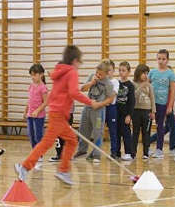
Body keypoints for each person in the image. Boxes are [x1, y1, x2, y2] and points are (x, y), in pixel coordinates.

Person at [15, 45, 99, 185]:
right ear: (75, 60)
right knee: (48, 143)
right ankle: (24, 166)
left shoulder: (59, 71)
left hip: (57, 113)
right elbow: (74, 92)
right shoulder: (71, 72)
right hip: (59, 114)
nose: (79, 65)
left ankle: (63, 170)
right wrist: (91, 102)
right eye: (79, 62)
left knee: (71, 141)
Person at [73, 60, 116, 163]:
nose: (98, 75)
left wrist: (99, 104)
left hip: (99, 111)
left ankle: (96, 154)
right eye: (97, 72)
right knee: (83, 130)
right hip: (87, 108)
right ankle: (82, 150)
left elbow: (111, 98)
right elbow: (83, 89)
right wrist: (91, 82)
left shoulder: (108, 83)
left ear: (106, 74)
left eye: (100, 74)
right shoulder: (92, 76)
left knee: (98, 132)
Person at [149, 49, 175, 158]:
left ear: (167, 60)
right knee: (148, 126)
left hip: (162, 103)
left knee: (160, 126)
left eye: (163, 59)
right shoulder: (152, 72)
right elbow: (147, 86)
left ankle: (159, 149)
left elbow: (173, 90)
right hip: (151, 103)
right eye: (159, 59)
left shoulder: (170, 74)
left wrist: (170, 105)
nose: (161, 61)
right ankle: (147, 147)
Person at [24, 64, 49, 162]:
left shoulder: (43, 87)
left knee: (38, 135)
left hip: (39, 117)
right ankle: (35, 152)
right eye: (31, 75)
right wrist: (25, 111)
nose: (32, 77)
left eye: (34, 75)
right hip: (30, 115)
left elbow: (46, 101)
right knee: (31, 135)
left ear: (41, 75)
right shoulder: (31, 86)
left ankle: (39, 155)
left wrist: (37, 110)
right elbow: (29, 100)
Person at [132, 64, 156, 160]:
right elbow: (134, 96)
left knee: (146, 132)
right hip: (136, 110)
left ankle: (146, 152)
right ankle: (133, 151)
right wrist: (141, 87)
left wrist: (153, 111)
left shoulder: (149, 85)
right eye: (144, 73)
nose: (145, 75)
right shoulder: (133, 84)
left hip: (147, 111)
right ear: (138, 73)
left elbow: (152, 98)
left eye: (147, 73)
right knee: (135, 132)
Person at [116, 61, 136, 160]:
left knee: (126, 133)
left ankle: (129, 152)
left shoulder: (130, 86)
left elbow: (132, 101)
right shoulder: (117, 83)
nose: (121, 72)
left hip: (125, 113)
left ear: (128, 72)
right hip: (117, 113)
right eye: (119, 70)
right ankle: (117, 152)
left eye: (123, 70)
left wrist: (129, 115)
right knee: (117, 133)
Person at [105, 60, 120, 158]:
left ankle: (114, 151)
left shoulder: (115, 82)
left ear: (113, 71)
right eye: (105, 70)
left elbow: (112, 94)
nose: (107, 72)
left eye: (109, 70)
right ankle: (95, 152)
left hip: (111, 108)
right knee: (98, 129)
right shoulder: (101, 81)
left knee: (113, 131)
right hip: (101, 108)